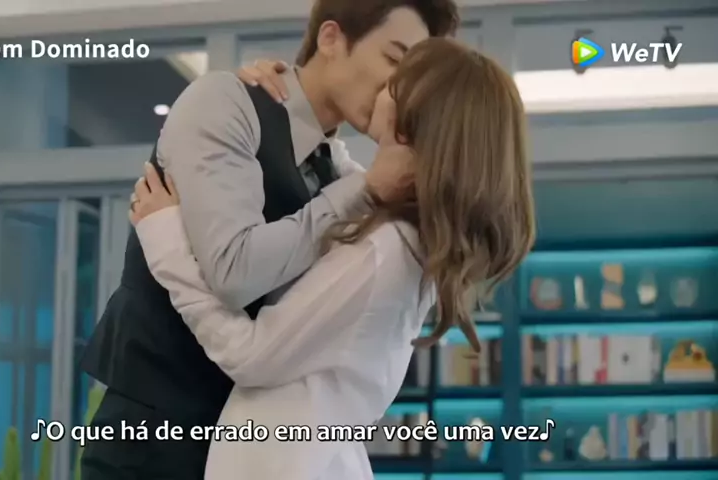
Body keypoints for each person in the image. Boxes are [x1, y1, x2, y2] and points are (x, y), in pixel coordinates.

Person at [79, 1, 460, 478]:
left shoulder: (340, 171)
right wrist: (362, 191)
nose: (397, 88)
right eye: (393, 59)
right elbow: (234, 273)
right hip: (152, 440)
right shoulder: (226, 103)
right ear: (330, 39)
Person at [129, 37, 535, 480]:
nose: (383, 84)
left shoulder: (385, 251)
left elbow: (249, 354)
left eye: (397, 77)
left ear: (415, 115)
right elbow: (350, 179)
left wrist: (167, 244)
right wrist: (293, 102)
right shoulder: (407, 241)